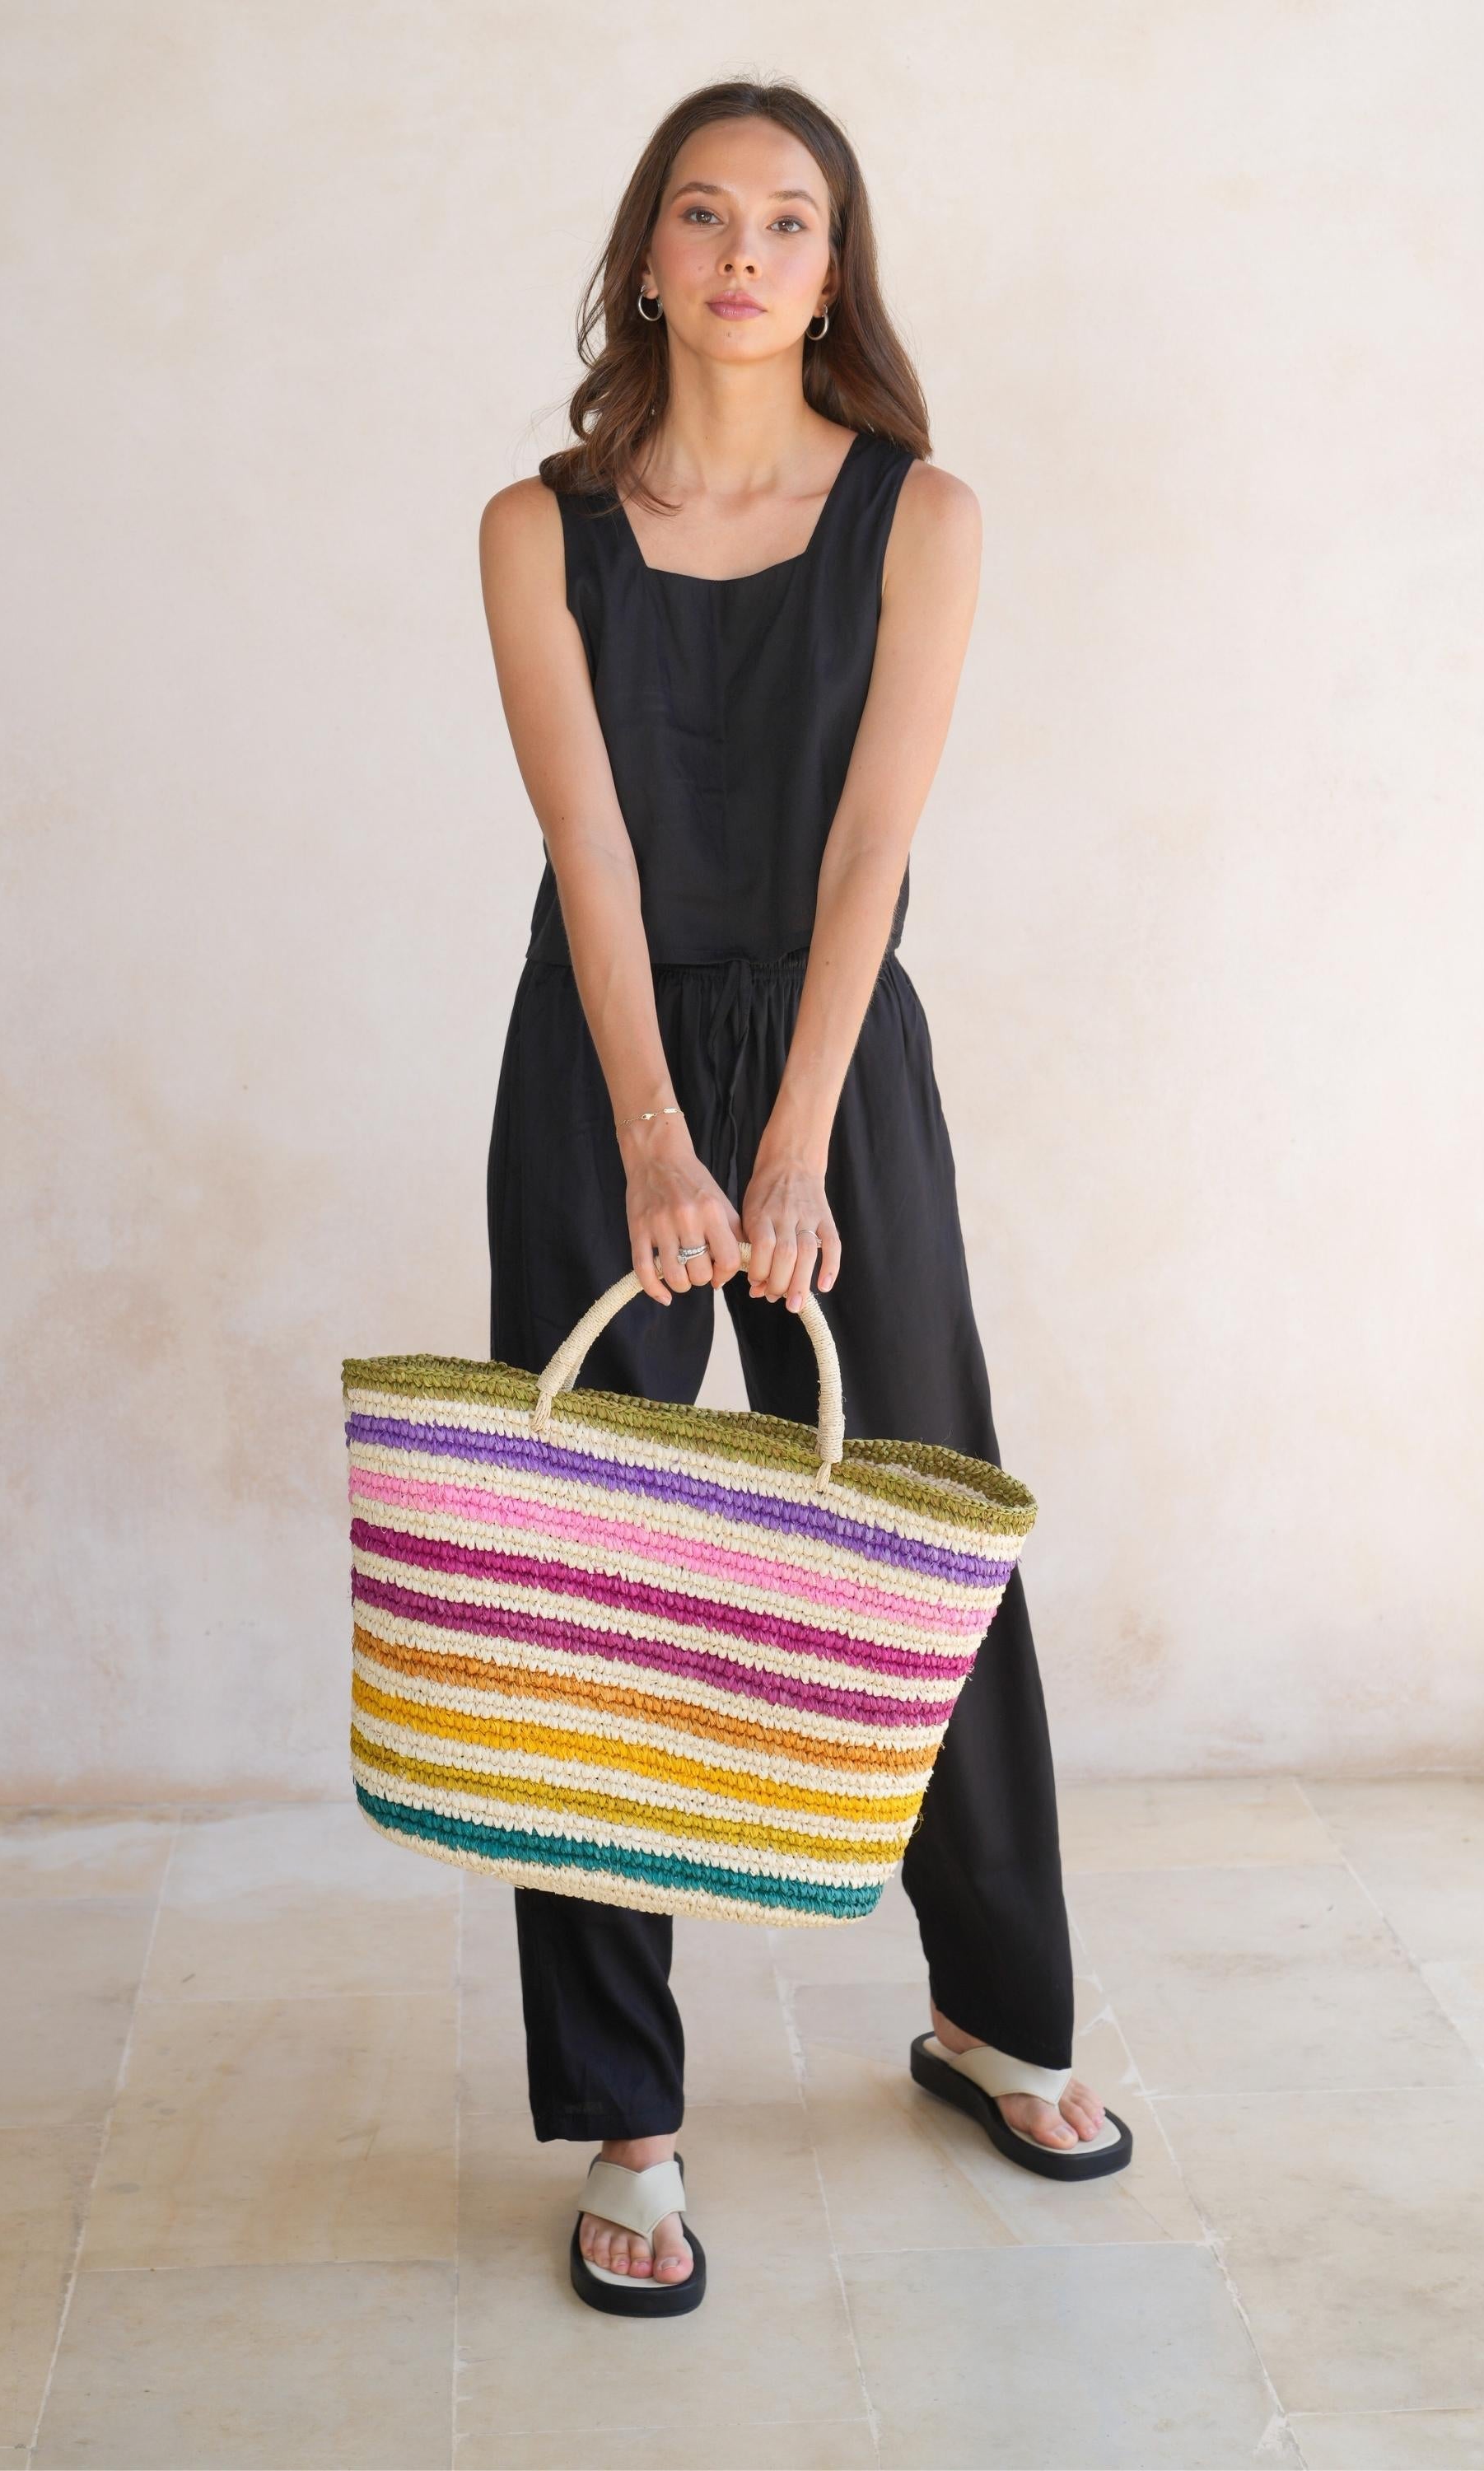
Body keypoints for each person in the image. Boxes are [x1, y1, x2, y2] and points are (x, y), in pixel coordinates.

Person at [478, 77, 1132, 2319]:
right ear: (647, 257)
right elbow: (590, 840)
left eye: (788, 220)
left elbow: (871, 848)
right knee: (588, 1566)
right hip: (604, 1063)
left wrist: (792, 1142)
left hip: (840, 1056)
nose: (745, 253)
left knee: (930, 1526)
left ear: (834, 269)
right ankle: (630, 2123)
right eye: (703, 213)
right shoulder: (538, 526)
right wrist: (659, 1133)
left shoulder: (922, 515)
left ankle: (998, 2014)